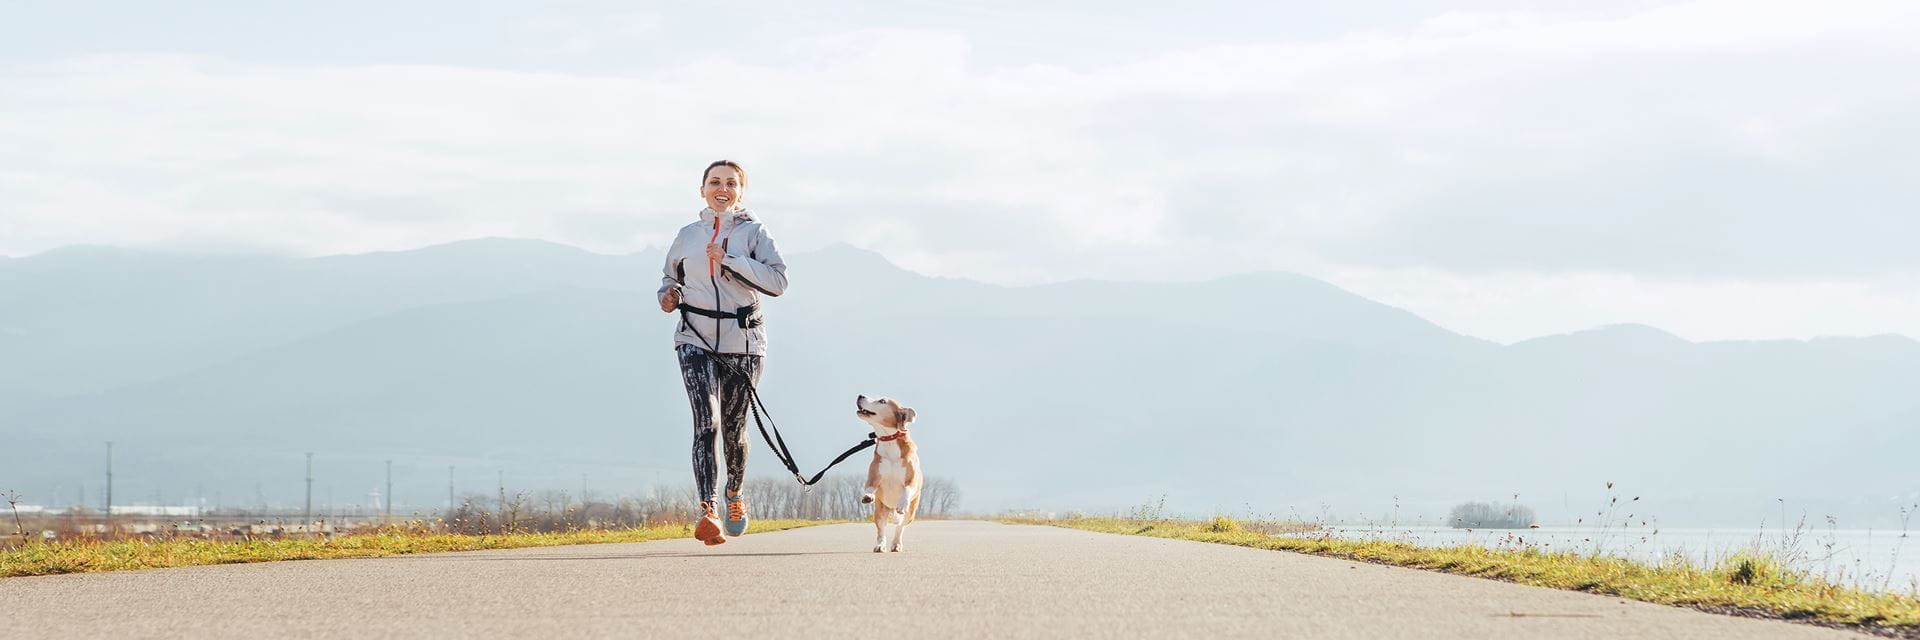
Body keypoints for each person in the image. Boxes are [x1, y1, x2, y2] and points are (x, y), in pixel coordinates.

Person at [657, 159, 788, 545]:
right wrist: (668, 296)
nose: (723, 188)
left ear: (740, 192)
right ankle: (707, 510)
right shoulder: (686, 235)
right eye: (715, 182)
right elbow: (669, 277)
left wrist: (729, 259)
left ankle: (734, 493)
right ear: (702, 190)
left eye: (731, 183)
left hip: (742, 340)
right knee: (706, 422)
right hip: (694, 337)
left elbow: (779, 282)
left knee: (733, 428)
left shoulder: (755, 232)